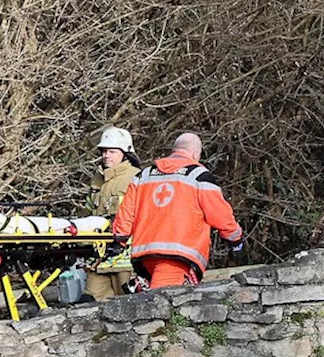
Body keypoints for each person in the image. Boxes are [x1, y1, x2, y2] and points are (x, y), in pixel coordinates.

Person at [111, 132, 243, 289]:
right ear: (195, 153)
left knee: (154, 300)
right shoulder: (199, 176)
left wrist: (120, 240)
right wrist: (235, 240)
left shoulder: (144, 175)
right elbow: (221, 216)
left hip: (145, 255)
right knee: (164, 305)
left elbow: (126, 213)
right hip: (178, 255)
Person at [87, 127, 140, 301]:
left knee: (129, 305)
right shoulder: (97, 180)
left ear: (125, 153)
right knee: (90, 304)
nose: (106, 155)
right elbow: (89, 214)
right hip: (99, 259)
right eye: (104, 151)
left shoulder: (136, 178)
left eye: (112, 151)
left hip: (126, 259)